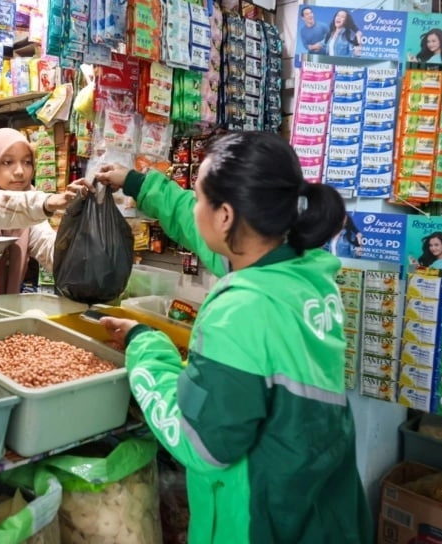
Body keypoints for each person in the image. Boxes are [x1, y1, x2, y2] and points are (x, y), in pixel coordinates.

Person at [92, 132, 373, 544]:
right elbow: (198, 225)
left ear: (225, 216)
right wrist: (138, 183)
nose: (195, 206)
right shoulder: (306, 272)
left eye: (199, 197)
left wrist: (144, 344)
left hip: (259, 525)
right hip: (324, 513)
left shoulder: (240, 311)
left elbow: (199, 442)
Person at [0, 128, 88, 293]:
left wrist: (83, 249)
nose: (20, 171)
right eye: (7, 162)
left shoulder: (29, 200)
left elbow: (48, 247)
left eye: (27, 162)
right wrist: (48, 202)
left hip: (5, 304)